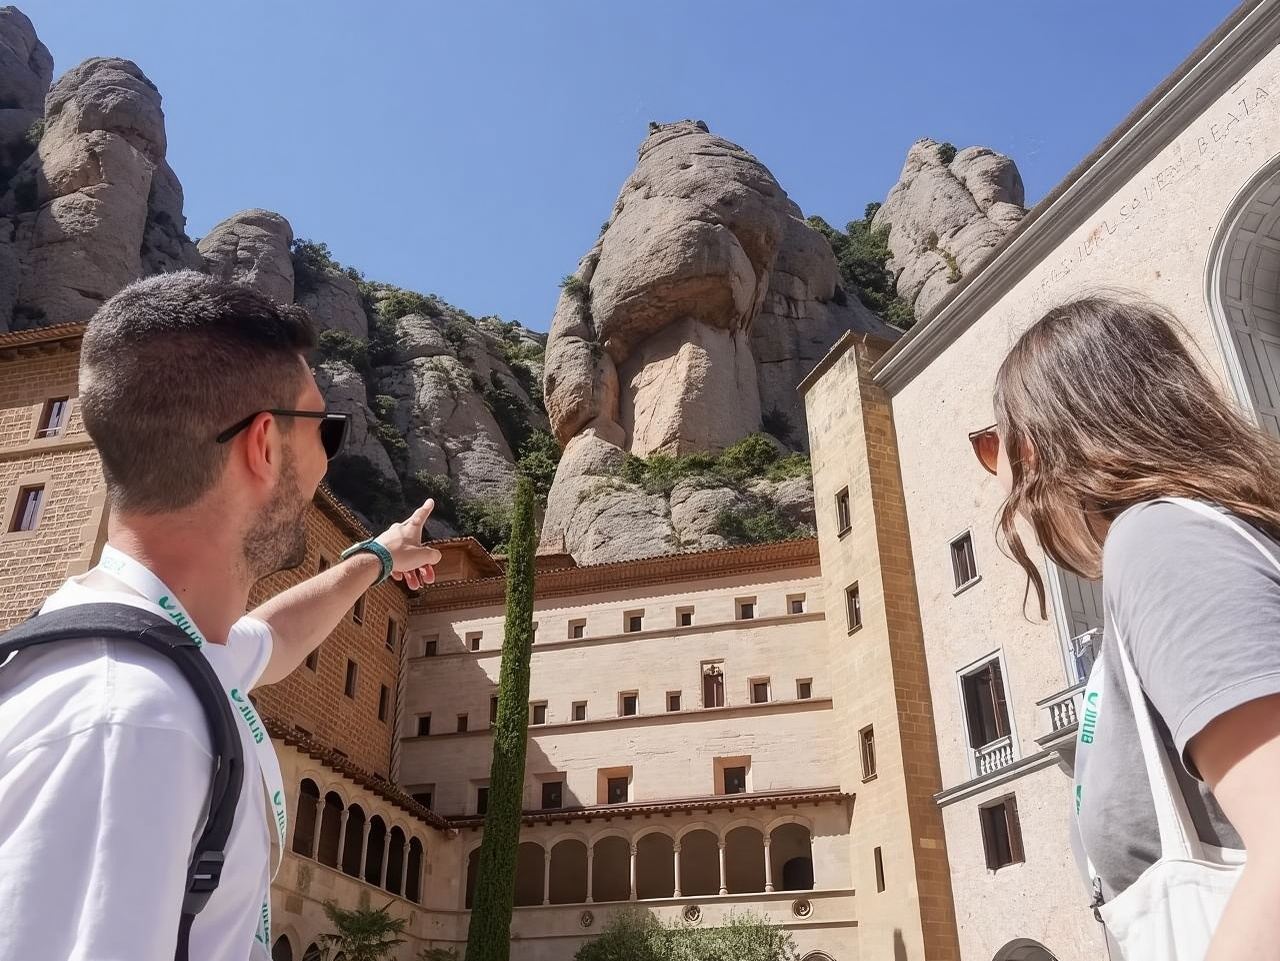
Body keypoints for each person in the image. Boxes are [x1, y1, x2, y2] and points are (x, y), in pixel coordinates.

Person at [0, 271, 443, 961]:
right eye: (325, 429)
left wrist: (377, 557)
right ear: (264, 444)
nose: (327, 461)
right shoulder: (138, 726)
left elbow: (271, 638)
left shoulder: (155, 651)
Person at [970, 296, 1280, 959]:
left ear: (1041, 447)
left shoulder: (1161, 538)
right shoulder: (1183, 542)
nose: (1002, 483)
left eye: (997, 444)